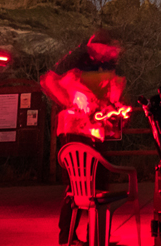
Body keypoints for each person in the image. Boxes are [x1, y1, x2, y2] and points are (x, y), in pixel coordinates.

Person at [42, 30, 127, 244]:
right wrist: (71, 101)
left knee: (99, 185)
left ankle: (96, 237)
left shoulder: (108, 65)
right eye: (109, 50)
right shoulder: (77, 57)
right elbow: (49, 80)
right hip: (73, 130)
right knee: (78, 185)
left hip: (94, 132)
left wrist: (114, 109)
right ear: (97, 45)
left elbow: (112, 92)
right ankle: (67, 237)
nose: (111, 54)